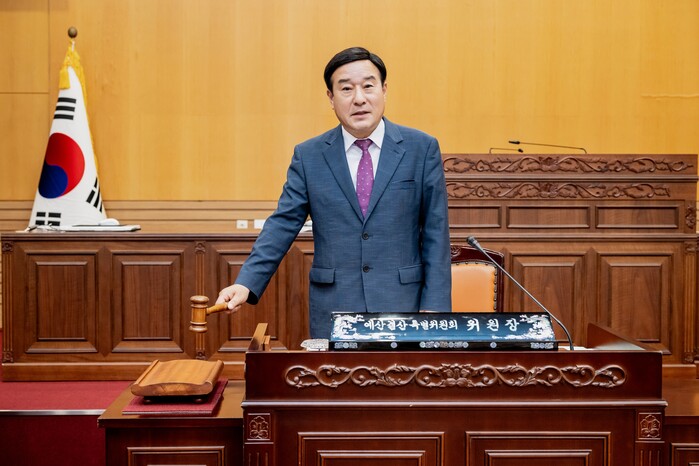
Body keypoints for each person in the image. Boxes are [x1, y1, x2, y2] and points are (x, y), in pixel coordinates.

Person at [216, 46, 451, 338]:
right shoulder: (309, 155)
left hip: (404, 303)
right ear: (331, 98)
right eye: (346, 89)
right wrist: (246, 283)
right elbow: (282, 224)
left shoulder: (421, 148)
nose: (359, 98)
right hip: (335, 306)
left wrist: (435, 307)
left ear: (384, 90)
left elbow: (436, 233)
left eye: (368, 86)